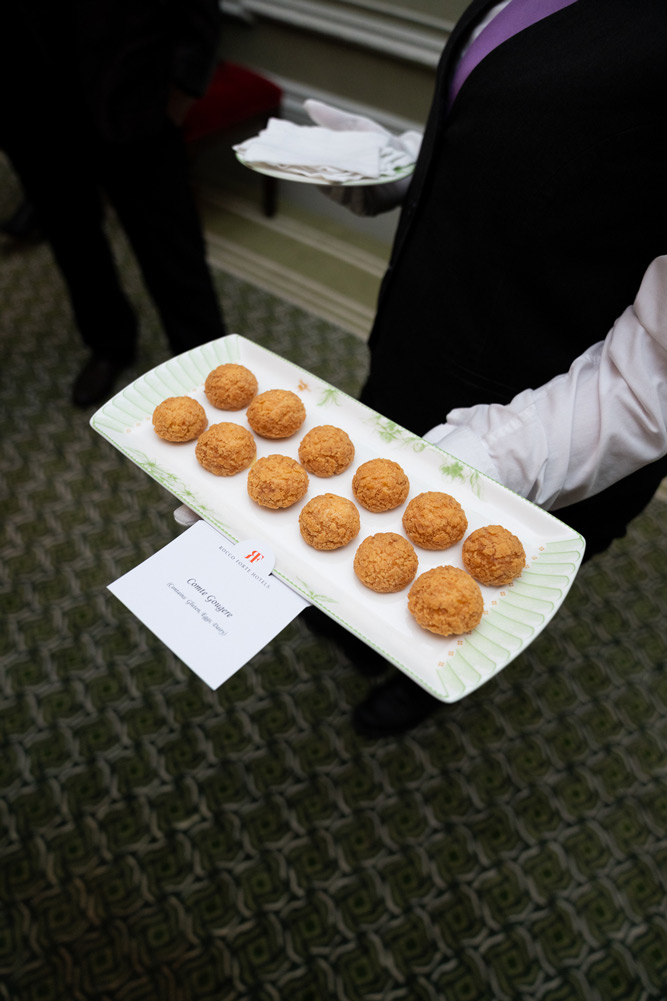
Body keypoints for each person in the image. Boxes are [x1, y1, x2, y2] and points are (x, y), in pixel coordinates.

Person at [304, 0, 667, 736]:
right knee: (370, 550)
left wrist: (495, 458)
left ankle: (429, 679)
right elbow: (573, 151)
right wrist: (400, 168)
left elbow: (653, 373)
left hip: (553, 407)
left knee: (479, 578)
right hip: (429, 336)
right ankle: (360, 633)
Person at [0, 0, 226, 407]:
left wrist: (184, 86)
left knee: (173, 250)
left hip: (133, 92)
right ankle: (110, 343)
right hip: (29, 101)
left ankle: (209, 371)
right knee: (72, 240)